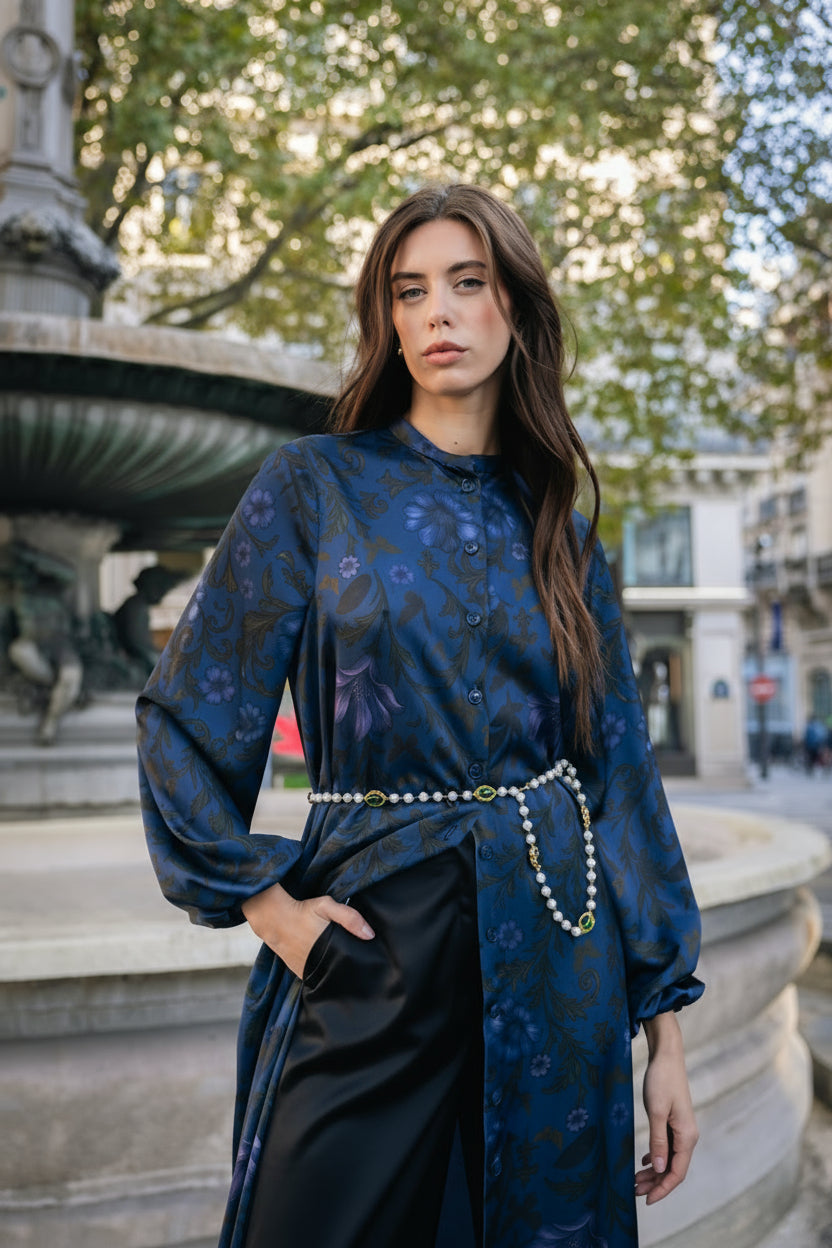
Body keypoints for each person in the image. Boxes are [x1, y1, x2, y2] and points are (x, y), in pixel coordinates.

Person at [137, 184, 704, 1248]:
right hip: (366, 953)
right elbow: (185, 719)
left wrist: (664, 1040)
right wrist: (277, 916)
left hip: (555, 959)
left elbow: (618, 781)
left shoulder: (566, 537)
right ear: (387, 322)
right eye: (410, 291)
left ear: (516, 310)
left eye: (466, 282)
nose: (437, 311)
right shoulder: (312, 488)